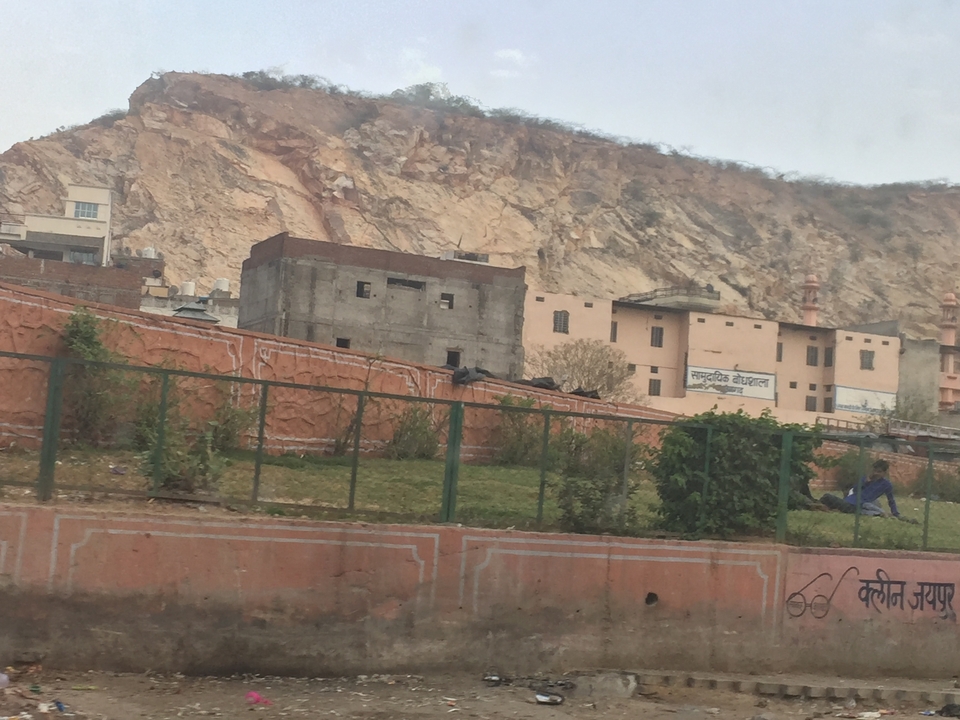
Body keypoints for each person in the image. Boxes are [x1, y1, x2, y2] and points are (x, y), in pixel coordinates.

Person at [820, 459, 900, 517]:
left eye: (879, 472)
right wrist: (866, 482)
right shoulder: (866, 478)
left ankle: (827, 507)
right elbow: (855, 490)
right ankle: (827, 507)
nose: (876, 473)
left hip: (858, 506)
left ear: (884, 473)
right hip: (849, 502)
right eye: (874, 471)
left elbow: (891, 500)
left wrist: (895, 513)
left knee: (827, 496)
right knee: (827, 499)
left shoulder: (886, 484)